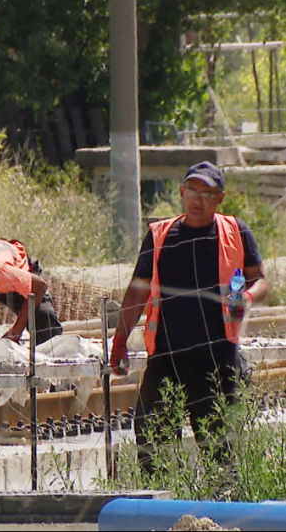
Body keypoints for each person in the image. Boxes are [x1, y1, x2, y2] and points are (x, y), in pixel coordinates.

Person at [109, 161, 268, 472]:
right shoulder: (159, 235)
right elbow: (137, 291)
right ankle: (161, 511)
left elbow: (259, 279)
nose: (198, 199)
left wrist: (247, 297)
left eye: (207, 193)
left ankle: (219, 514)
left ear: (220, 198)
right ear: (182, 192)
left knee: (219, 452)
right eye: (192, 191)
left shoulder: (235, 231)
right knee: (151, 442)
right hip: (167, 356)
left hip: (216, 359)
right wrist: (120, 340)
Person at [0, 238, 62, 344]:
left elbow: (39, 286)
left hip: (15, 273)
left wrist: (16, 331)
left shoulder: (0, 271)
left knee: (46, 325)